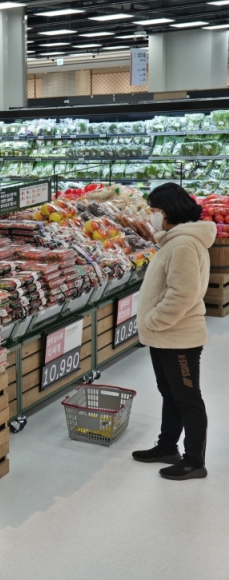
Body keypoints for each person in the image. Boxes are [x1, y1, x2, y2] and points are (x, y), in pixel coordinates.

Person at [132, 183, 215, 481]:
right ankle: (167, 446)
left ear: (168, 211)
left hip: (179, 337)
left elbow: (183, 293)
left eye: (154, 210)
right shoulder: (175, 241)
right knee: (170, 393)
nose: (152, 216)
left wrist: (154, 319)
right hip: (165, 335)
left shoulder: (182, 245)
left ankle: (195, 460)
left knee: (188, 398)